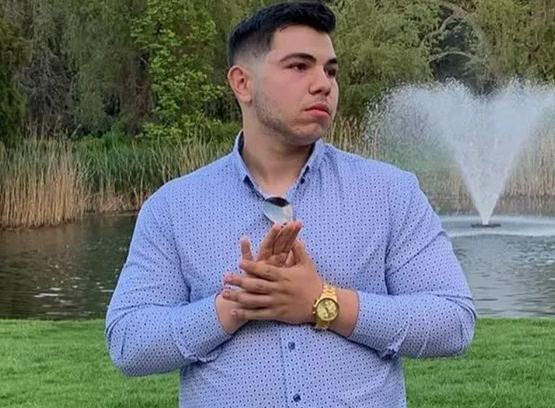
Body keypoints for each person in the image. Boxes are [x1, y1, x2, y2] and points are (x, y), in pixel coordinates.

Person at [105, 2, 476, 407]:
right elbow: (128, 342)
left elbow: (453, 322)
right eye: (299, 66)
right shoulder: (174, 207)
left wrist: (323, 302)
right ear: (242, 83)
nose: (323, 85)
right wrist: (233, 307)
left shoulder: (390, 192)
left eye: (330, 71)